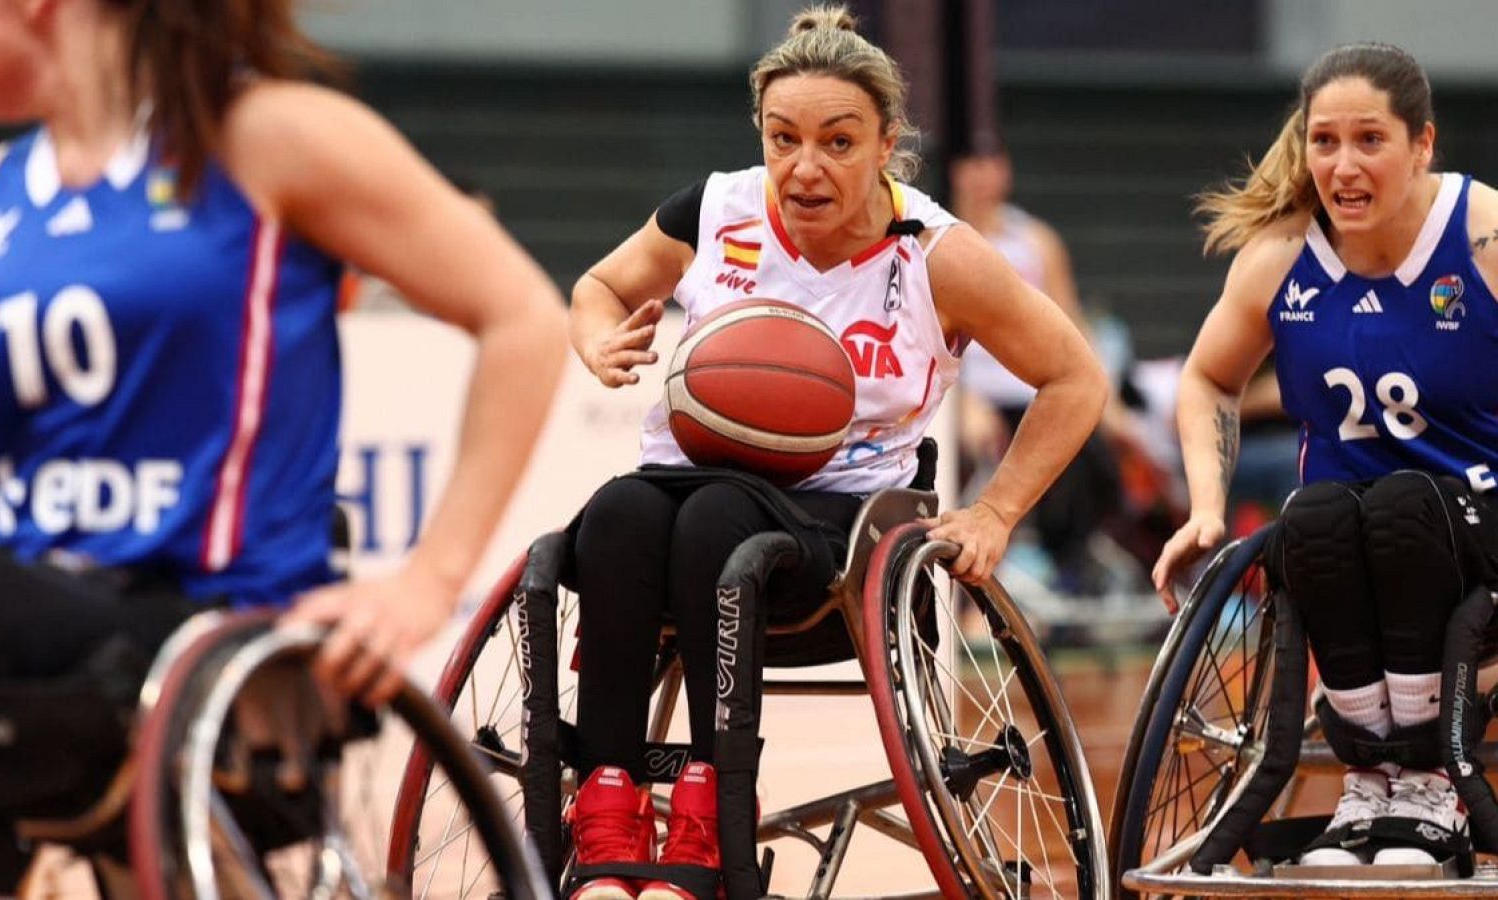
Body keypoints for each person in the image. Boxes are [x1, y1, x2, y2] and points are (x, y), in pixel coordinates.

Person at [0, 0, 567, 890]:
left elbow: (522, 315)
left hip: (210, 627)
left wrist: (427, 580)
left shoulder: (269, 137)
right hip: (24, 621)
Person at [564, 7, 1105, 899]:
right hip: (689, 472)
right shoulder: (717, 210)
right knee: (618, 514)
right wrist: (595, 337)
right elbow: (602, 286)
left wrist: (996, 510)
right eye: (784, 139)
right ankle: (607, 798)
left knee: (716, 523)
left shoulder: (938, 258)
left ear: (886, 143)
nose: (804, 167)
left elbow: (1075, 378)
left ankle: (708, 805)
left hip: (840, 517)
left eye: (837, 142)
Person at [1153, 41, 1498, 867]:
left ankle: (1429, 781)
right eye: (1325, 141)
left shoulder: (1481, 233)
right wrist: (1206, 506)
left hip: (1476, 530)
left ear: (1422, 144)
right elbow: (1205, 379)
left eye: (1370, 140)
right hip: (1341, 539)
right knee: (1311, 514)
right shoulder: (1279, 257)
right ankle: (1367, 779)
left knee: (1406, 506)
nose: (1343, 165)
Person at [951, 145, 1131, 599]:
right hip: (976, 397)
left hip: (1035, 385)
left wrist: (1106, 402)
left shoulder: (1036, 240)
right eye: (973, 163)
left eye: (992, 162)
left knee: (1092, 447)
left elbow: (1070, 319)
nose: (983, 175)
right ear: (955, 173)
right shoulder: (943, 241)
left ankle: (1071, 561)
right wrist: (962, 402)